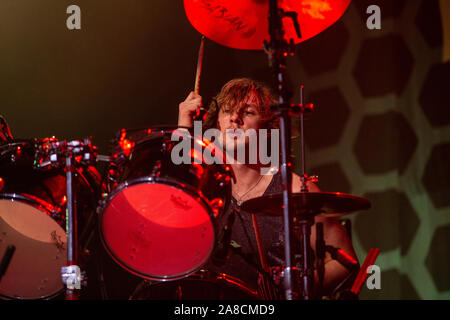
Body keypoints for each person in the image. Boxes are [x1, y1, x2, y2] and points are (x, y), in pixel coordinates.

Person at [178, 78, 358, 299]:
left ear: (268, 127)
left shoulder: (293, 189)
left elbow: (344, 262)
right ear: (216, 126)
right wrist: (183, 128)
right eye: (227, 111)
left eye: (249, 112)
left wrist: (295, 293)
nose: (235, 118)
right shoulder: (205, 190)